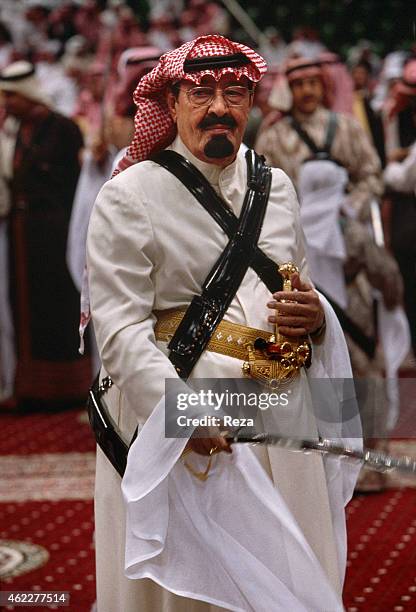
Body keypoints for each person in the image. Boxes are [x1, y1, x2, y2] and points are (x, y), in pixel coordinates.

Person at [86, 36, 360, 612]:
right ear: (171, 100)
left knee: (289, 572)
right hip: (185, 421)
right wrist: (178, 414)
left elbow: (297, 287)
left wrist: (316, 318)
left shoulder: (275, 185)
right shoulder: (129, 196)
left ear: (252, 102)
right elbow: (119, 331)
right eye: (201, 92)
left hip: (283, 415)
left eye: (235, 92)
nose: (219, 106)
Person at [255, 57, 407, 491]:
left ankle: (373, 461)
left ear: (324, 86)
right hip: (296, 259)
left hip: (348, 253)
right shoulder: (275, 134)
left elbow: (371, 176)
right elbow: (263, 191)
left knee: (362, 360)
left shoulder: (346, 128)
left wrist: (347, 210)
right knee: (311, 367)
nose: (306, 91)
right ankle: (328, 464)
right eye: (297, 83)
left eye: (312, 83)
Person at [0, 60, 90, 408]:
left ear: (26, 96)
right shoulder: (14, 130)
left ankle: (63, 390)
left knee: (55, 304)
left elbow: (72, 182)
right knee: (23, 305)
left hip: (55, 233)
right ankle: (29, 388)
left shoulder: (62, 128)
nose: (6, 104)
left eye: (10, 96)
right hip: (21, 234)